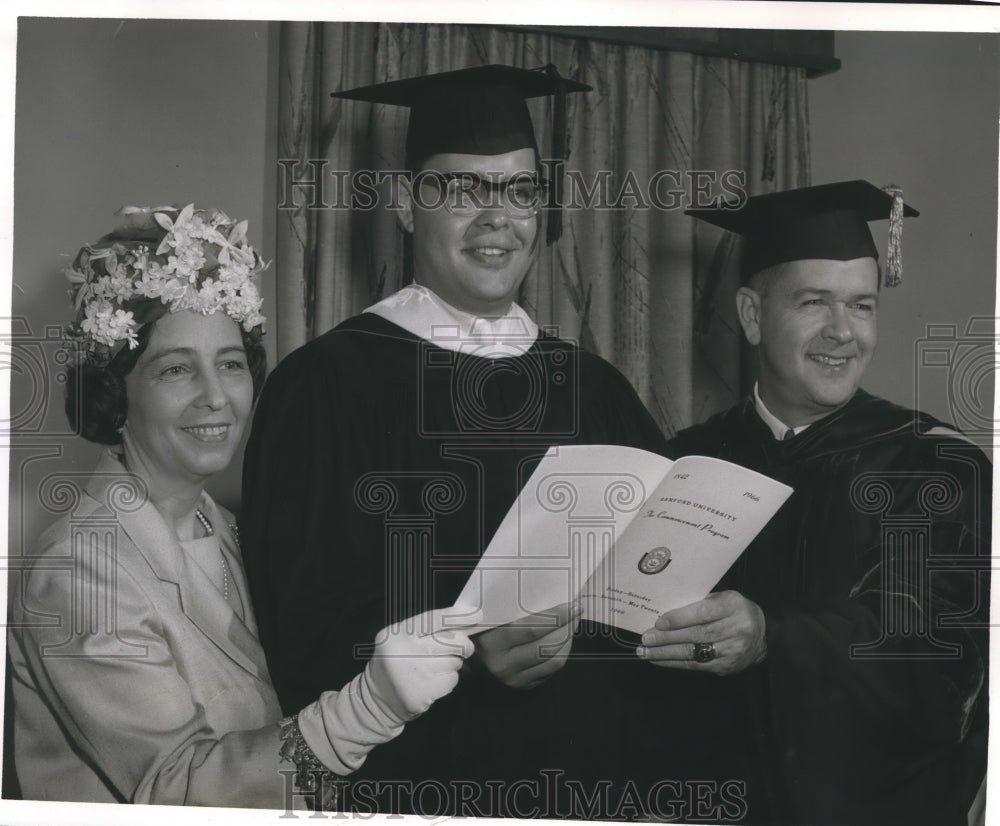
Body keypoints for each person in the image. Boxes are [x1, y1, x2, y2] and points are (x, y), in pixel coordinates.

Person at [242, 65, 760, 818]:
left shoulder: (594, 387)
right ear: (407, 206)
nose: (498, 217)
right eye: (461, 189)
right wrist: (472, 649)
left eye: (519, 191)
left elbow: (656, 589)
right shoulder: (325, 385)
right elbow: (302, 627)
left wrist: (708, 623)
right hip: (430, 793)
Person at [7, 205, 478, 809]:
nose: (215, 398)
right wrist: (369, 708)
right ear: (113, 394)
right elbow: (178, 792)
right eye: (176, 369)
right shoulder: (80, 573)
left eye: (230, 364)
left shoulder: (229, 527)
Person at [645, 181, 989, 825]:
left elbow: (944, 673)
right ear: (751, 315)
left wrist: (776, 637)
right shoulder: (681, 465)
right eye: (814, 302)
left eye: (862, 306)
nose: (842, 332)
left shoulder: (933, 466)